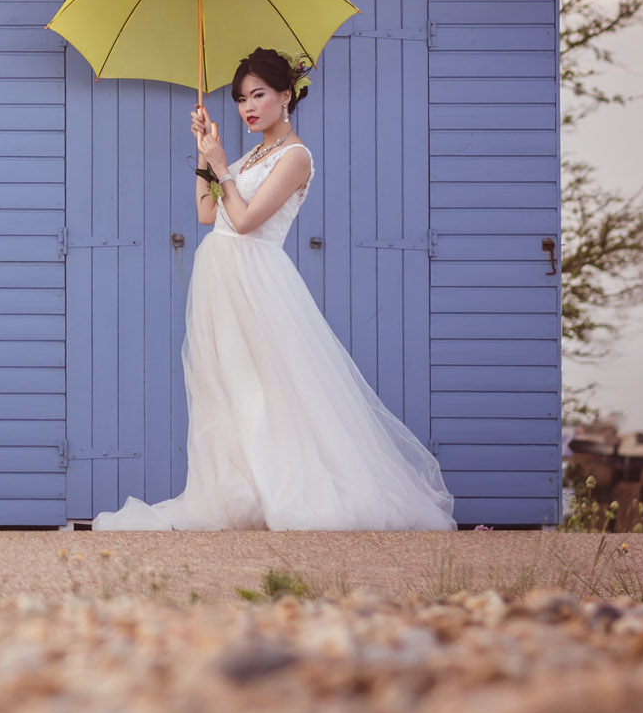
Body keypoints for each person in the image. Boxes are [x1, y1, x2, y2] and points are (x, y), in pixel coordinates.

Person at [92, 48, 457, 531]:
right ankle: (242, 495)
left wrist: (222, 165)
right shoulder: (251, 155)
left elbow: (243, 222)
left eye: (258, 95)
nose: (248, 106)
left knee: (265, 389)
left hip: (256, 280)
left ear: (286, 96)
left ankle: (285, 492)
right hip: (220, 278)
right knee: (227, 391)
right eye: (242, 97)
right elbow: (208, 214)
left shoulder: (295, 157)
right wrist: (206, 154)